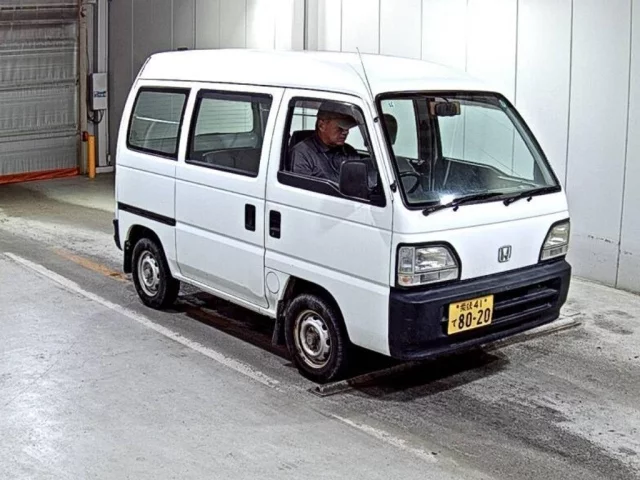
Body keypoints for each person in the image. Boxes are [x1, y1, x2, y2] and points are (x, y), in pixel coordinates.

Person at [290, 102, 362, 183]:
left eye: (347, 128)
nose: (346, 132)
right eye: (340, 128)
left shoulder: (349, 151)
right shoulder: (302, 153)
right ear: (321, 125)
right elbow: (302, 188)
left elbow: (359, 182)